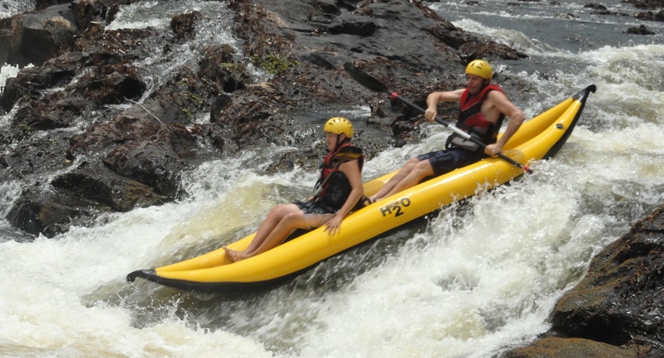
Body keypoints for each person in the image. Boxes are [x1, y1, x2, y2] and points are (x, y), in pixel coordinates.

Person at [369, 59, 526, 202]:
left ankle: (384, 202)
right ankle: (375, 197)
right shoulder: (466, 93)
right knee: (412, 163)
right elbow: (435, 95)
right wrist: (432, 107)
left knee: (422, 167)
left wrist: (499, 145)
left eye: (475, 79)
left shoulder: (493, 96)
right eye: (468, 78)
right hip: (458, 149)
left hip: (477, 151)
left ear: (485, 80)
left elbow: (518, 116)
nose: (470, 82)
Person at [223, 117, 366, 263]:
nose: (326, 139)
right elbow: (331, 184)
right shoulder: (337, 156)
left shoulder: (348, 160)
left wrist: (340, 216)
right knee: (278, 211)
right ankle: (246, 251)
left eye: (330, 136)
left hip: (332, 211)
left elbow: (357, 189)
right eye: (326, 135)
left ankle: (252, 257)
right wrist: (314, 198)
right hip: (320, 205)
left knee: (290, 219)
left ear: (342, 137)